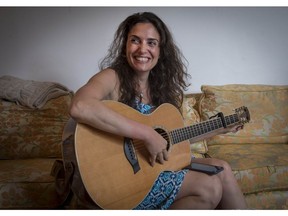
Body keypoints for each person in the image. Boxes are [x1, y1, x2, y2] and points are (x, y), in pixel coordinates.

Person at [69, 12, 247, 210]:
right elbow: (80, 106)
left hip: (154, 169)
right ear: (125, 45)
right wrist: (146, 134)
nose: (142, 49)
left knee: (222, 169)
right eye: (135, 40)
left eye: (151, 43)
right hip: (126, 181)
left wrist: (218, 128)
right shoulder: (112, 77)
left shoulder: (160, 89)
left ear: (161, 50)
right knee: (209, 187)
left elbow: (169, 140)